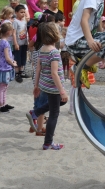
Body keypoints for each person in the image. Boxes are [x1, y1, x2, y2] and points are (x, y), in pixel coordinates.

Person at [32, 22, 68, 150]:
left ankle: (36, 112)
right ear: (54, 34)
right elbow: (54, 73)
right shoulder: (54, 52)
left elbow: (38, 69)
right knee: (54, 114)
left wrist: (36, 85)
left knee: (61, 103)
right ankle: (48, 142)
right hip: (53, 87)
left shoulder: (42, 49)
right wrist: (62, 90)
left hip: (45, 85)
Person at [0, 22, 17, 113]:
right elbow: (7, 58)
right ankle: (1, 105)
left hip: (4, 66)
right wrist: (13, 63)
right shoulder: (6, 43)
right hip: (5, 67)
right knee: (3, 87)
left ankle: (3, 103)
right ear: (8, 32)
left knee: (4, 86)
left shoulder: (2, 41)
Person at [12, 5, 29, 83]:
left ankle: (22, 72)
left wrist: (27, 41)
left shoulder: (25, 20)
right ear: (16, 12)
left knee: (23, 57)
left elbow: (26, 31)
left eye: (24, 12)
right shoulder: (15, 21)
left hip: (24, 42)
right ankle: (17, 73)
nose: (23, 14)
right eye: (21, 12)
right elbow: (14, 33)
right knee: (17, 58)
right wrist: (15, 43)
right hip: (18, 43)